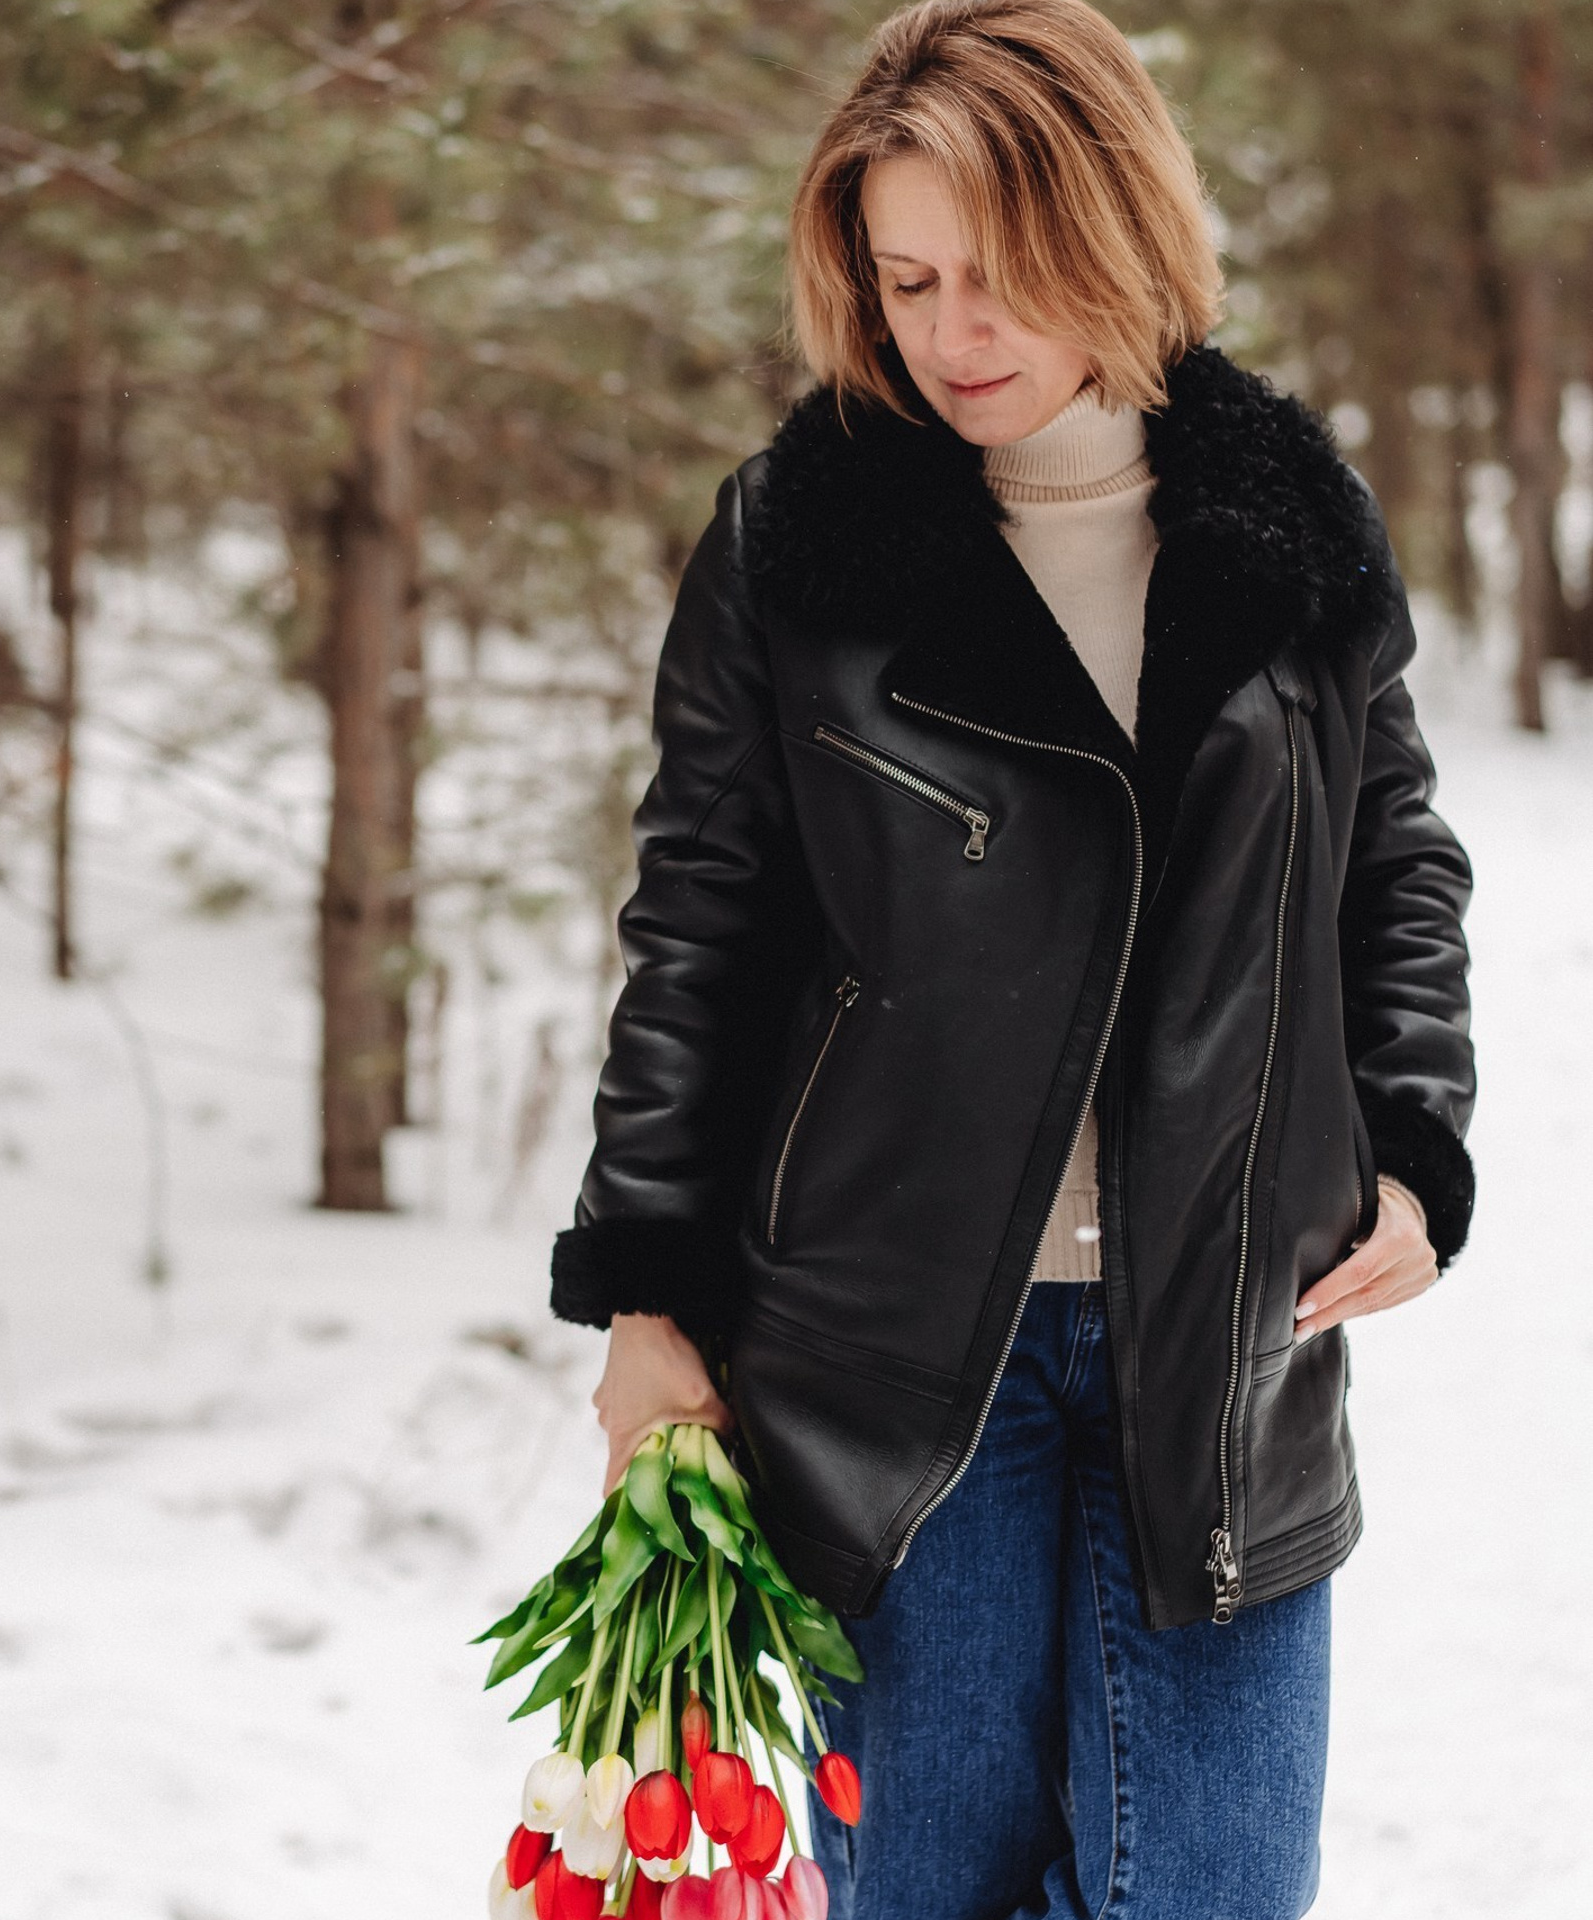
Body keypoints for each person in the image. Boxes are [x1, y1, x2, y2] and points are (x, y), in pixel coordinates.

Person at [547, 2, 1477, 1914]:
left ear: (1117, 231)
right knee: (934, 1895)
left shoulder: (1286, 524)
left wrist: (1416, 1147)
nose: (952, 333)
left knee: (1211, 1891)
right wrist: (645, 1289)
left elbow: (1394, 861)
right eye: (906, 280)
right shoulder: (798, 543)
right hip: (886, 1364)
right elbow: (699, 929)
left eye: (1001, 273)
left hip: (1225, 1343)